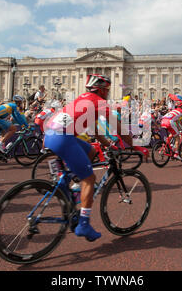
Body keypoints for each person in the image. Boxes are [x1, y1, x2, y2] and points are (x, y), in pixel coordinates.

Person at [44, 74, 148, 242]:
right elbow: (119, 129)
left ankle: (69, 184)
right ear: (100, 90)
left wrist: (107, 144)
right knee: (89, 178)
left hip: (50, 134)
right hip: (63, 137)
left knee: (91, 151)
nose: (107, 93)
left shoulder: (82, 99)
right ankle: (84, 224)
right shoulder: (99, 102)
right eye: (106, 90)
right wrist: (135, 145)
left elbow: (93, 129)